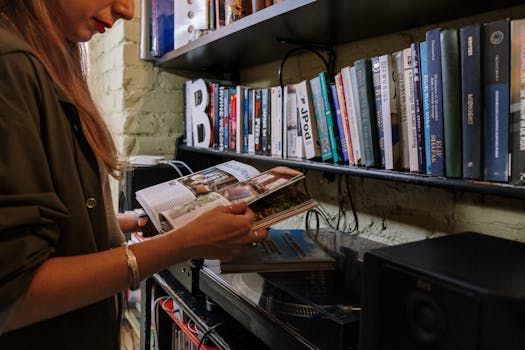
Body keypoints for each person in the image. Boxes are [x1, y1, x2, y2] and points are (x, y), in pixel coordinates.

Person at [0, 1, 267, 348]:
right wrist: (180, 244)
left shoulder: (38, 61)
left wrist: (121, 222)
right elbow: (13, 293)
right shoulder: (10, 67)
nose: (127, 10)